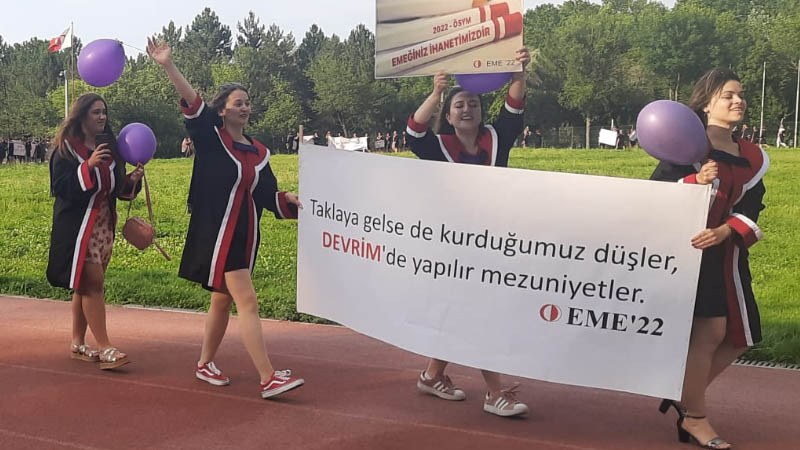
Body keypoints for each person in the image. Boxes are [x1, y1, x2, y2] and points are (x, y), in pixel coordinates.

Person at [147, 37, 305, 399]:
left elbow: (266, 194)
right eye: (238, 103)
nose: (245, 108)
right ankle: (267, 377)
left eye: (247, 102)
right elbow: (193, 104)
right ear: (222, 111)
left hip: (245, 236)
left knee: (222, 299)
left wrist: (288, 200)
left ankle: (205, 363)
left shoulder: (259, 151)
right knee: (247, 301)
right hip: (217, 234)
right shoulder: (210, 138)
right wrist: (168, 65)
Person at [404, 47, 532, 418]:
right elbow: (413, 133)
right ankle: (495, 392)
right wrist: (436, 92)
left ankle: (432, 375)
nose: (467, 109)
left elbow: (514, 108)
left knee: (462, 311)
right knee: (477, 313)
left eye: (473, 104)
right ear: (448, 115)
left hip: (492, 241)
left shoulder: (497, 138)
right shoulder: (439, 147)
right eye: (459, 105)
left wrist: (519, 72)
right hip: (454, 245)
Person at [650, 68, 768, 449]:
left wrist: (726, 231)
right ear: (706, 104)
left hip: (727, 255)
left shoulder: (752, 156)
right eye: (727, 95)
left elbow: (753, 206)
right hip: (689, 255)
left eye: (740, 94)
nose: (738, 101)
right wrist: (693, 182)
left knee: (741, 336)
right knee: (711, 331)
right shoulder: (685, 147)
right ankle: (695, 416)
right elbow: (653, 196)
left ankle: (683, 393)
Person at [47, 93, 144, 370]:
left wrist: (131, 180)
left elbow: (115, 189)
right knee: (93, 283)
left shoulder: (110, 148)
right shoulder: (66, 148)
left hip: (103, 226)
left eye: (104, 112)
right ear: (81, 117)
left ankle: (78, 343)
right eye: (96, 112)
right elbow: (61, 187)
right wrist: (87, 166)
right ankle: (105, 346)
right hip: (77, 228)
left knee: (85, 285)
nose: (102, 117)